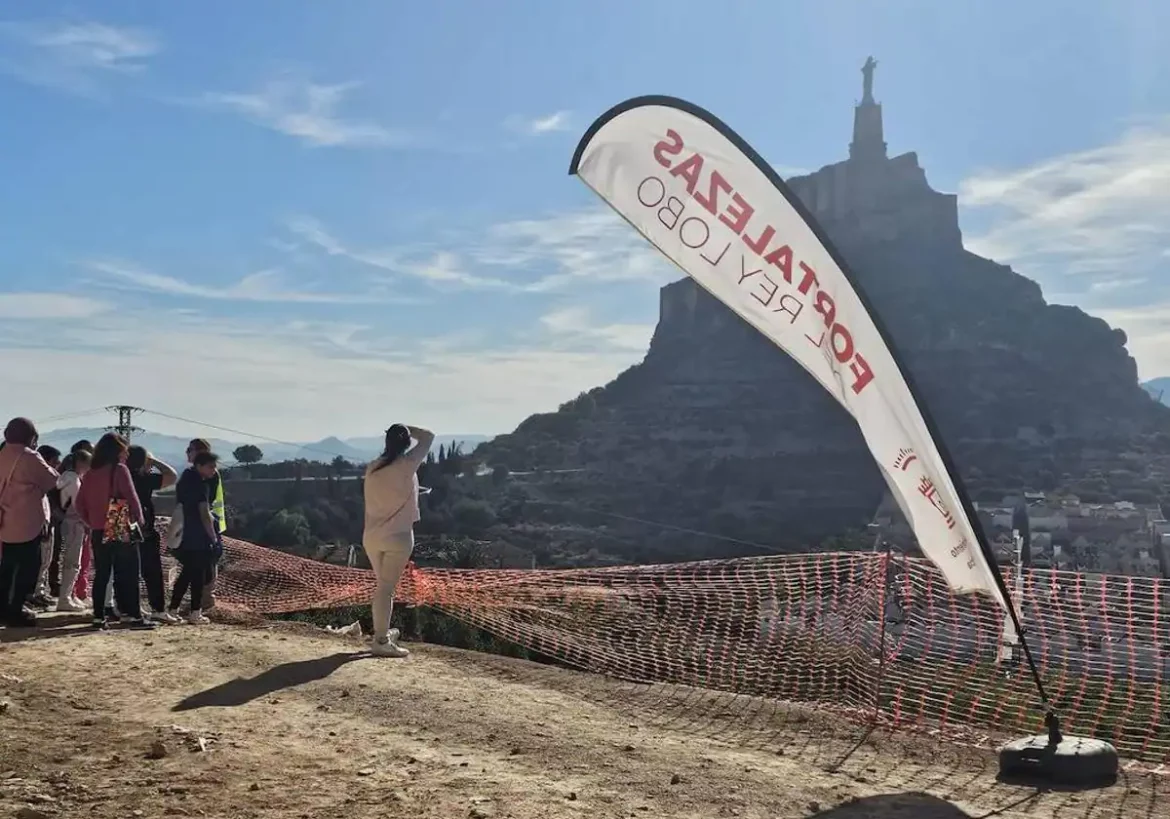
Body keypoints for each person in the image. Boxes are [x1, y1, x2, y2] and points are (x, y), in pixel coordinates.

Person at [362, 423, 434, 658]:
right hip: (398, 537)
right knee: (386, 589)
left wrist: (396, 430)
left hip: (372, 537)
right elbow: (428, 436)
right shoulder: (406, 465)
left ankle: (382, 634)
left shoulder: (373, 468)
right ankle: (381, 641)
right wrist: (407, 426)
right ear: (405, 443)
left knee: (383, 588)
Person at [75, 433, 155, 630]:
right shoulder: (119, 470)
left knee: (102, 573)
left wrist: (91, 521)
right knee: (128, 572)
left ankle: (98, 618)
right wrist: (140, 521)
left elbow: (79, 504)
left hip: (97, 528)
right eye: (123, 448)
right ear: (117, 451)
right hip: (119, 523)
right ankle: (134, 616)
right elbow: (131, 497)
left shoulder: (90, 473)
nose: (126, 452)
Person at [0, 418, 60, 627]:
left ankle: (3, 608)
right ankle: (17, 610)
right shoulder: (29, 456)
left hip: (5, 520)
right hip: (27, 522)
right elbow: (52, 480)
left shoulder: (2, 453)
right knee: (28, 568)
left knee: (7, 567)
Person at [167, 439, 226, 610]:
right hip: (199, 531)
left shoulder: (195, 477)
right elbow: (202, 508)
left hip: (195, 529)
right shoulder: (196, 479)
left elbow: (202, 506)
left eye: (189, 450)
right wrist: (212, 537)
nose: (187, 453)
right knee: (197, 572)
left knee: (193, 571)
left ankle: (181, 607)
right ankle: (195, 609)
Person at [127, 446, 179, 623]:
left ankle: (127, 608)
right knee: (152, 571)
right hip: (144, 529)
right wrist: (154, 462)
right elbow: (172, 476)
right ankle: (158, 608)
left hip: (124, 528)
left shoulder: (121, 476)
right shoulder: (143, 479)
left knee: (128, 570)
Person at [55, 448, 92, 612]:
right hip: (74, 523)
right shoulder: (73, 479)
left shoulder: (68, 477)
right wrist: (88, 523)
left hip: (71, 522)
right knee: (72, 562)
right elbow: (78, 506)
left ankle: (69, 595)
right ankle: (65, 597)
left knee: (73, 561)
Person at [31, 445, 62, 608]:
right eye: (55, 463)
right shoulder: (41, 480)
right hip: (41, 525)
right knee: (41, 560)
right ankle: (35, 592)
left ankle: (40, 591)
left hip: (48, 523)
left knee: (46, 560)